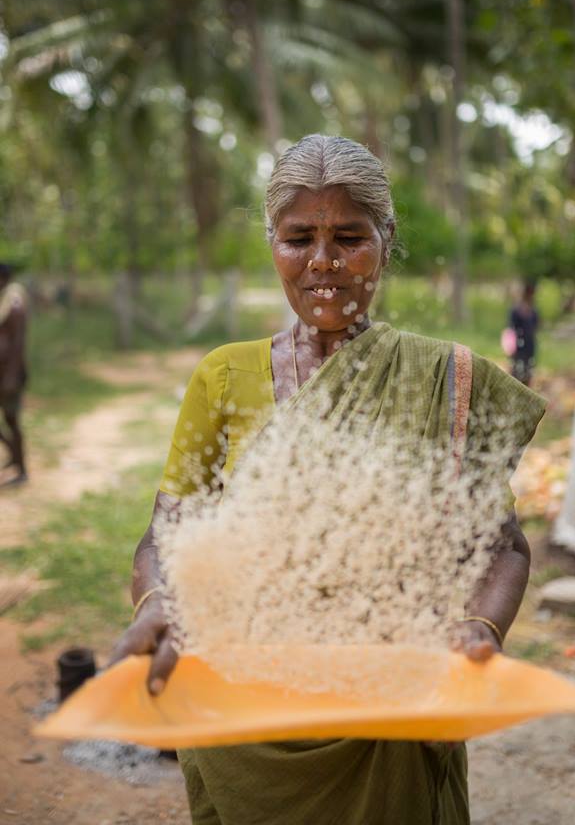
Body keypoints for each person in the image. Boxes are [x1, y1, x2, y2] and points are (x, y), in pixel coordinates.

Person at [111, 135, 545, 825]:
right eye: (298, 238)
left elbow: (505, 545)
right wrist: (158, 601)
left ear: (386, 240)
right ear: (272, 243)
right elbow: (166, 531)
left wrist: (478, 632)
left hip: (389, 715)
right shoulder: (224, 377)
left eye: (349, 237)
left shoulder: (447, 381)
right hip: (243, 719)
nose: (323, 262)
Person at [0, 263, 28, 488]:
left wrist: (11, 376)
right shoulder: (4, 300)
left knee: (12, 420)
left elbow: (18, 342)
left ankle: (22, 470)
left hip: (9, 375)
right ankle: (13, 455)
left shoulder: (14, 301)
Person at [508, 281, 539, 386]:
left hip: (529, 345)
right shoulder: (516, 310)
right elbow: (511, 329)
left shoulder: (533, 311)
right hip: (519, 345)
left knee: (528, 371)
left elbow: (535, 326)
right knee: (517, 372)